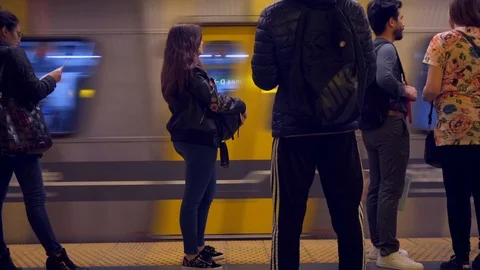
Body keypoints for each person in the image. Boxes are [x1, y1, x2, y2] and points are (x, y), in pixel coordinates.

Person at [252, 0, 376, 269]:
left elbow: (264, 79)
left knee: (287, 221)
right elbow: (369, 69)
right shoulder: (352, 10)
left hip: (293, 132)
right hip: (340, 130)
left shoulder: (273, 14)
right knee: (348, 219)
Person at [0, 9, 87, 270]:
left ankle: (3, 259)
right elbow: (34, 92)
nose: (19, 38)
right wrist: (52, 78)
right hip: (21, 141)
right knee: (35, 199)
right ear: (5, 31)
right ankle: (57, 257)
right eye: (17, 33)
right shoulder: (13, 53)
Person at [161, 24, 247, 270]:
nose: (203, 43)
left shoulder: (180, 71)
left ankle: (198, 246)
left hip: (193, 138)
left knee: (205, 195)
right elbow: (215, 102)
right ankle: (191, 256)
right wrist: (239, 104)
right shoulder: (190, 73)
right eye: (200, 40)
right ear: (189, 43)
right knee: (194, 199)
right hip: (198, 139)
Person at [361, 1, 423, 269]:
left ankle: (377, 246)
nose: (403, 22)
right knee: (390, 188)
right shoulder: (386, 49)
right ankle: (388, 251)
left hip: (373, 128)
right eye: (400, 18)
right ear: (391, 22)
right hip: (389, 126)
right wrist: (405, 91)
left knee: (376, 186)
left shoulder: (371, 48)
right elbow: (385, 78)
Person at [423, 0, 480, 269]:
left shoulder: (442, 41)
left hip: (454, 134)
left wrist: (425, 95)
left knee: (457, 196)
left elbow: (431, 89)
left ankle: (461, 257)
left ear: (454, 13)